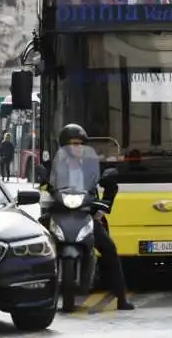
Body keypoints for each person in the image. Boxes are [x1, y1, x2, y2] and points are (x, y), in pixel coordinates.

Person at [50, 124, 135, 310]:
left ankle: (121, 298)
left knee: (110, 249)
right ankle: (39, 295)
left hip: (85, 215)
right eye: (73, 144)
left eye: (81, 144)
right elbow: (45, 185)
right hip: (61, 215)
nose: (78, 148)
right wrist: (45, 198)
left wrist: (101, 210)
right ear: (64, 146)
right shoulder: (54, 166)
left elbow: (111, 185)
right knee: (39, 247)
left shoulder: (91, 165)